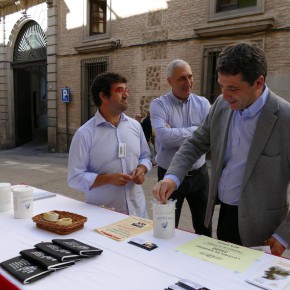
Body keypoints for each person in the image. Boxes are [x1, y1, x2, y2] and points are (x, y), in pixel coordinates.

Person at [152, 42, 290, 256]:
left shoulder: (285, 118)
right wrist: (172, 177)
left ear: (258, 82)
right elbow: (196, 142)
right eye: (221, 87)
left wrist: (284, 235)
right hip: (224, 215)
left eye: (233, 88)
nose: (225, 96)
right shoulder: (221, 105)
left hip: (264, 230)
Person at [68, 72, 151, 218]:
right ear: (103, 96)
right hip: (104, 215)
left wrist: (142, 169)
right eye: (119, 90)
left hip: (138, 212)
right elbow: (75, 178)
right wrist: (109, 179)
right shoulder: (84, 134)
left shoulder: (135, 126)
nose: (126, 95)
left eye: (126, 90)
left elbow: (145, 156)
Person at [150, 59, 211, 236]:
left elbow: (210, 136)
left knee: (204, 228)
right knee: (166, 228)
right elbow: (163, 137)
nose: (188, 83)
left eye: (190, 77)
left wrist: (176, 132)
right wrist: (198, 130)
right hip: (169, 176)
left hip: (200, 176)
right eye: (182, 78)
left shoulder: (203, 104)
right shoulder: (159, 104)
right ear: (169, 81)